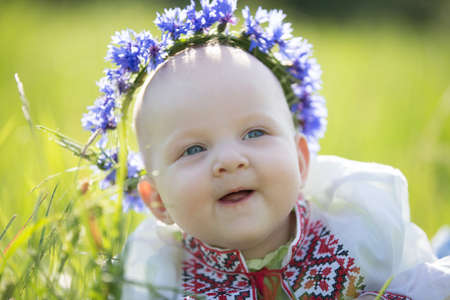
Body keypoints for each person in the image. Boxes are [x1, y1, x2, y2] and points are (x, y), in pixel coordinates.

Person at [121, 43, 450, 299]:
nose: (230, 160)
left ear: (301, 161)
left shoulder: (358, 228)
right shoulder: (159, 273)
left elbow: (426, 284)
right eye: (193, 149)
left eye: (255, 133)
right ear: (158, 200)